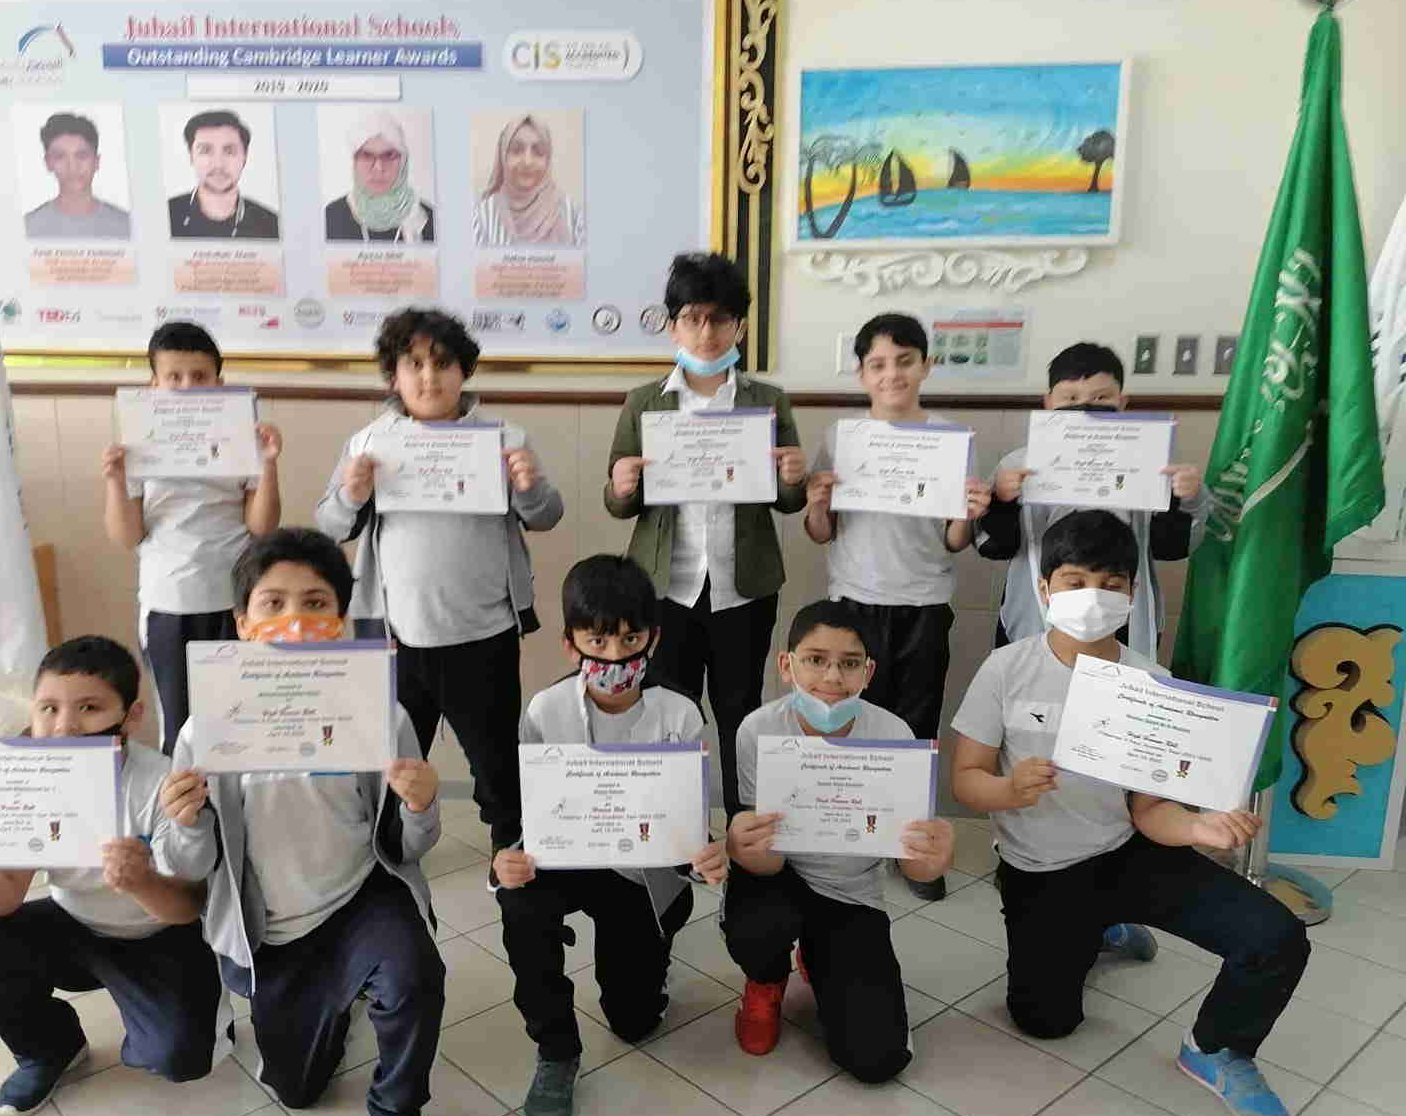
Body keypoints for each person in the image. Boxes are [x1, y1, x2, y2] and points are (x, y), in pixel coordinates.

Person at [951, 510, 1310, 1116]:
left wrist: (1198, 830)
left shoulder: (1151, 682)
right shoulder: (1006, 670)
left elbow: (1149, 810)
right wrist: (1007, 790)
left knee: (1276, 936)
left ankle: (1217, 1048)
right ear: (1044, 588)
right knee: (1045, 1021)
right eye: (1074, 581)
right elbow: (966, 779)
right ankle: (1102, 931)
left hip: (1127, 852)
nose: (1093, 597)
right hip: (1043, 870)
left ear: (1132, 593)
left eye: (1110, 584)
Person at [167, 528, 451, 1116]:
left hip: (360, 899)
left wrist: (420, 807)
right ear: (242, 623)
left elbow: (409, 846)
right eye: (272, 604)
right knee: (297, 1091)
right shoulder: (204, 730)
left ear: (342, 620)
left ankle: (397, 1115)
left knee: (415, 974)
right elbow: (188, 865)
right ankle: (334, 1003)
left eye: (316, 603)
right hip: (272, 928)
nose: (294, 620)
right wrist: (183, 822)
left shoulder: (380, 714)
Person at [0, 637, 226, 1116]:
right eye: (49, 708)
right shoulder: (26, 778)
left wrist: (140, 881)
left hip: (157, 935)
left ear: (131, 716)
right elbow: (2, 900)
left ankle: (194, 1016)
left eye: (89, 708)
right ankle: (49, 1049)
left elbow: (187, 908)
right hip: (73, 924)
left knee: (180, 1058)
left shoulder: (162, 784)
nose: (64, 725)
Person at [492, 554, 728, 1116]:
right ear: (570, 644)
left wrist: (703, 856)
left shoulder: (680, 715)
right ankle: (555, 1050)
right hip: (564, 860)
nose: (616, 656)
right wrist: (505, 859)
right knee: (519, 903)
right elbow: (523, 812)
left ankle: (652, 956)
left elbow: (688, 828)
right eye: (598, 640)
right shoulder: (545, 711)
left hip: (637, 872)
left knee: (634, 1023)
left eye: (631, 639)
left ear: (653, 639)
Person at [316, 307, 563, 859]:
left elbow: (547, 516)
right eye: (414, 364)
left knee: (497, 762)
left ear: (464, 371)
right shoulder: (369, 442)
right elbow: (330, 525)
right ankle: (389, 854)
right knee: (393, 762)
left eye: (443, 363)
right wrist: (351, 494)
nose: (429, 377)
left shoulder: (504, 438)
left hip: (484, 634)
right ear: (394, 375)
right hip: (396, 638)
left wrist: (529, 487)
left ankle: (509, 854)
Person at [606, 252, 808, 820]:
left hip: (744, 588)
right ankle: (675, 830)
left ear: (739, 327)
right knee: (668, 712)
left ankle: (744, 831)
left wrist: (794, 479)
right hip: (664, 588)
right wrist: (621, 485)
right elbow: (619, 504)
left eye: (720, 319)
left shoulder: (768, 400)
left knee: (740, 711)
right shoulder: (644, 401)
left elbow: (789, 501)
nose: (706, 331)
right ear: (673, 325)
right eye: (692, 317)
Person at [724, 601, 955, 1078]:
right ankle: (766, 980)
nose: (832, 677)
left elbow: (912, 862)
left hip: (850, 891)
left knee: (877, 1059)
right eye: (815, 659)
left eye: (849, 663)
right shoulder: (758, 730)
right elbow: (763, 856)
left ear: (868, 672)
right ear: (786, 665)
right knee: (757, 922)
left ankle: (818, 955)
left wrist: (931, 860)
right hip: (779, 879)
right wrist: (739, 846)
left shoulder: (894, 734)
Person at [804, 313, 991, 902]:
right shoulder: (841, 437)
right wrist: (818, 502)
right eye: (879, 364)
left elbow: (955, 541)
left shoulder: (952, 440)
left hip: (924, 602)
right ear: (862, 373)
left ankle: (911, 849)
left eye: (905, 361)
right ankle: (846, 835)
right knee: (847, 720)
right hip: (853, 602)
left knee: (914, 727)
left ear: (926, 366)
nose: (893, 375)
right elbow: (820, 531)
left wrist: (969, 514)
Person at [102, 321, 283, 754]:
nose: (187, 387)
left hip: (235, 599)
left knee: (240, 720)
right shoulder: (137, 444)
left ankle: (236, 798)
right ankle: (183, 800)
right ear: (154, 384)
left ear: (219, 383)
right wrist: (114, 480)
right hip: (169, 601)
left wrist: (269, 463)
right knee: (180, 727)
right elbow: (127, 535)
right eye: (174, 377)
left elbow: (262, 527)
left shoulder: (242, 438)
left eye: (199, 377)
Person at [976, 342, 1209, 657]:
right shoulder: (1016, 465)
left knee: (1115, 685)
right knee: (1031, 682)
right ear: (1048, 402)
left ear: (1122, 402)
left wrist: (1184, 500)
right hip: (1034, 612)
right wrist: (1002, 502)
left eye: (1101, 398)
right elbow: (993, 547)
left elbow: (1171, 548)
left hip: (1121, 615)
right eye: (1070, 398)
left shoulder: (1151, 465)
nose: (1084, 407)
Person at [472, 113, 584, 247]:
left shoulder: (572, 215)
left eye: (538, 151)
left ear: (548, 160)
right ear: (503, 156)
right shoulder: (482, 218)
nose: (527, 162)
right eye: (516, 150)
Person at [167, 110, 280, 240]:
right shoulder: (167, 215)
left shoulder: (271, 225)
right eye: (205, 150)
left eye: (229, 151)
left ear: (245, 157)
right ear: (191, 156)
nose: (218, 164)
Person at [326, 111, 436, 244]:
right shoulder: (331, 217)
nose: (379, 168)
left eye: (389, 155)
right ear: (354, 163)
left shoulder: (428, 220)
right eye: (367, 156)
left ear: (403, 162)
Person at [24, 113, 131, 240]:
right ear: (48, 163)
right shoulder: (27, 228)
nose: (72, 167)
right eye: (60, 157)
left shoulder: (127, 226)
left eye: (82, 155)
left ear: (96, 161)